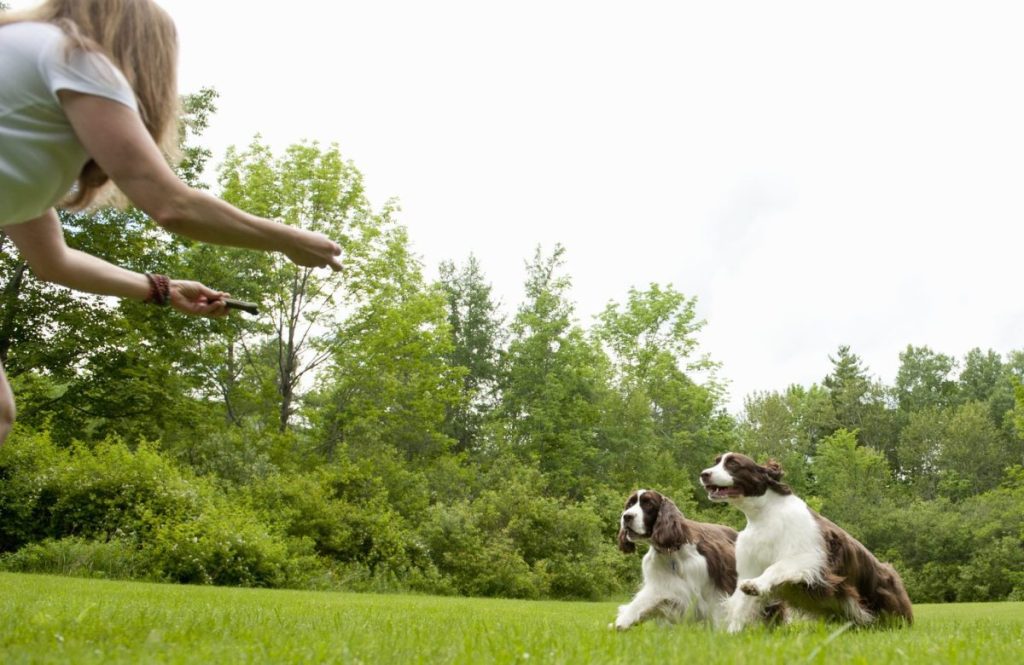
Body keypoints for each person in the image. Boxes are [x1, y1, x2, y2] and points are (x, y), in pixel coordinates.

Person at [0, 0, 344, 446]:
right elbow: (172, 205)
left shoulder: (23, 101)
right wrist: (288, 239)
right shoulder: (76, 57)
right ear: (140, 53)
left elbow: (55, 262)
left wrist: (164, 289)